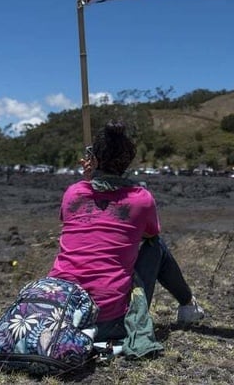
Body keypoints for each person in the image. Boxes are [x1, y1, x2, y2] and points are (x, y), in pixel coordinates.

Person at [48, 120, 205, 351]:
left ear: (94, 159)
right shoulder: (141, 199)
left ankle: (188, 304)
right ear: (127, 160)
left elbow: (81, 225)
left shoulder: (74, 193)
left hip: (60, 315)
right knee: (156, 246)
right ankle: (188, 305)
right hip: (111, 323)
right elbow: (149, 234)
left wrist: (90, 181)